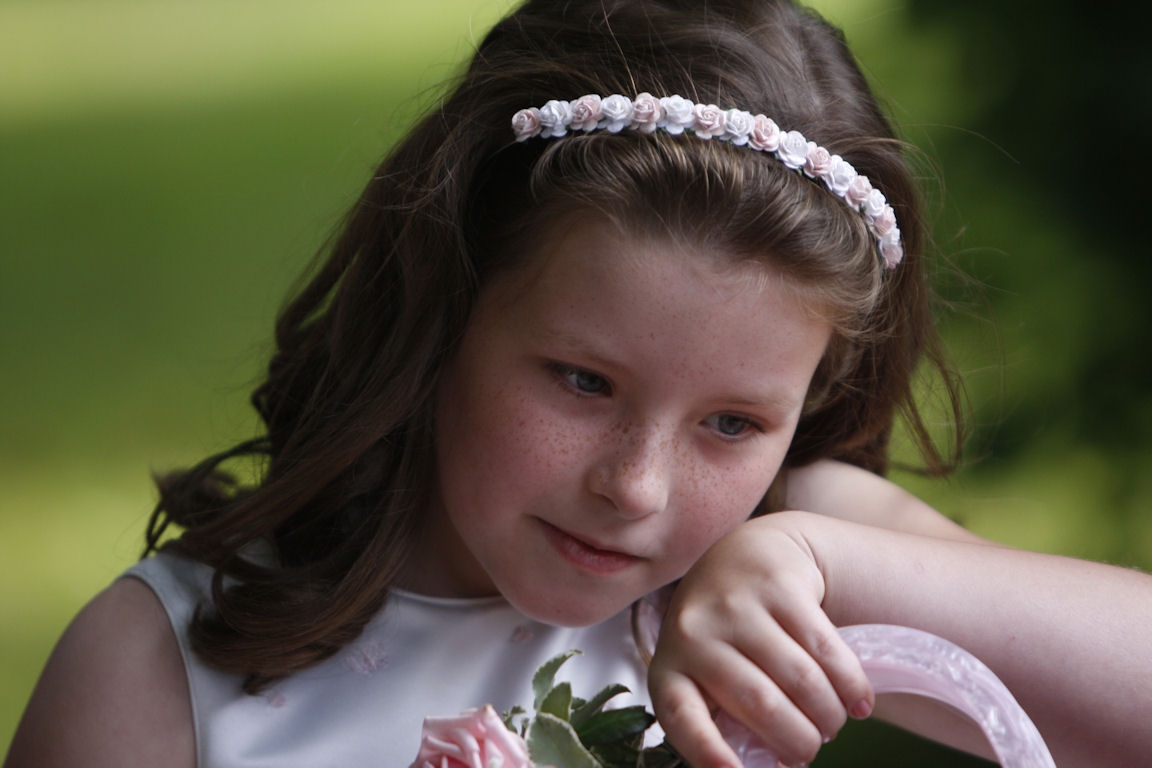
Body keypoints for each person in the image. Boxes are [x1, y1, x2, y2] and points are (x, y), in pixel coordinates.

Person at [6, 0, 1152, 766]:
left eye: (733, 422)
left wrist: (822, 559)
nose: (637, 488)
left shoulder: (765, 566)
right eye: (582, 381)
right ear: (448, 304)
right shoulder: (162, 663)